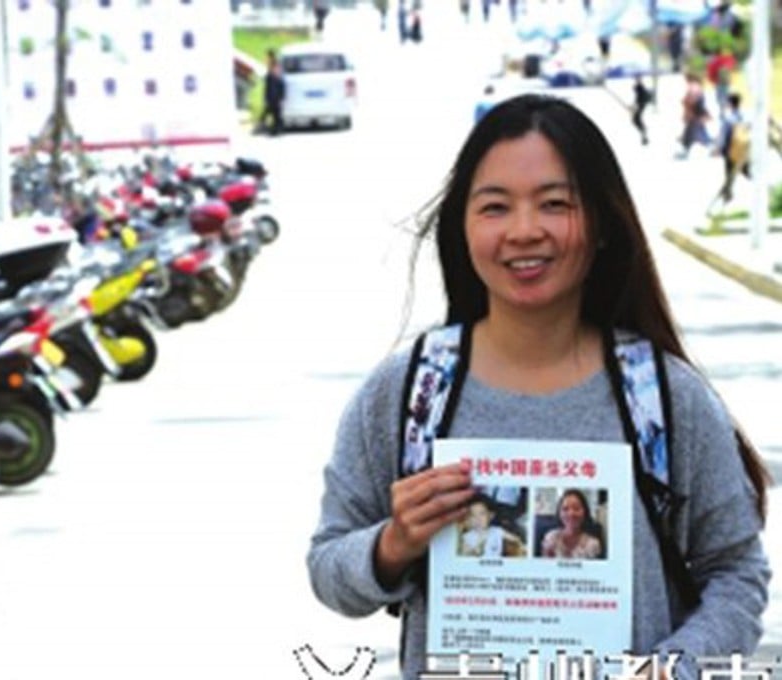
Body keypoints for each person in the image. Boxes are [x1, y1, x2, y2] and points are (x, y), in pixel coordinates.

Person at [306, 94, 770, 680]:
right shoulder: (408, 394)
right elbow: (328, 567)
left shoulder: (663, 399)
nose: (524, 231)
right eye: (495, 207)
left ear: (602, 224)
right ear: (463, 227)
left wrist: (669, 669)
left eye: (555, 204)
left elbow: (736, 573)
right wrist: (393, 544)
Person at [540, 489, 603, 559]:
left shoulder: (593, 544)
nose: (571, 514)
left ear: (585, 512)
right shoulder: (551, 538)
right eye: (565, 509)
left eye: (576, 508)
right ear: (559, 513)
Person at [458, 494, 524, 557]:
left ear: (491, 515)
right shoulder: (467, 537)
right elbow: (463, 553)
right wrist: (475, 550)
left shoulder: (497, 531)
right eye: (473, 515)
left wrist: (519, 545)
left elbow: (516, 540)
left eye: (482, 514)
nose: (477, 519)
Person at [678, 72, 711, 159]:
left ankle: (713, 148)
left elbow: (693, 101)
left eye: (685, 78)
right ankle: (685, 152)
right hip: (696, 114)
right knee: (693, 133)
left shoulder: (693, 86)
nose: (685, 80)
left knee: (690, 134)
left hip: (694, 114)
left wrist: (685, 102)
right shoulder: (696, 85)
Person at [259, 51, 285, 136]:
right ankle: (274, 130)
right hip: (272, 96)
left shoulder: (274, 67)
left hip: (274, 96)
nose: (265, 59)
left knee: (273, 113)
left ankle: (274, 129)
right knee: (274, 113)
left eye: (266, 57)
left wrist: (280, 96)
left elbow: (279, 83)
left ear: (270, 57)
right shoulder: (271, 69)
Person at [631, 74, 651, 145]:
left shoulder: (640, 87)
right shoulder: (640, 87)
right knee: (636, 120)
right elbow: (637, 97)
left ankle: (644, 133)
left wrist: (635, 106)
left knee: (636, 119)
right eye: (636, 79)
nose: (636, 80)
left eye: (638, 79)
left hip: (641, 105)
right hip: (641, 105)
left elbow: (639, 97)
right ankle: (643, 133)